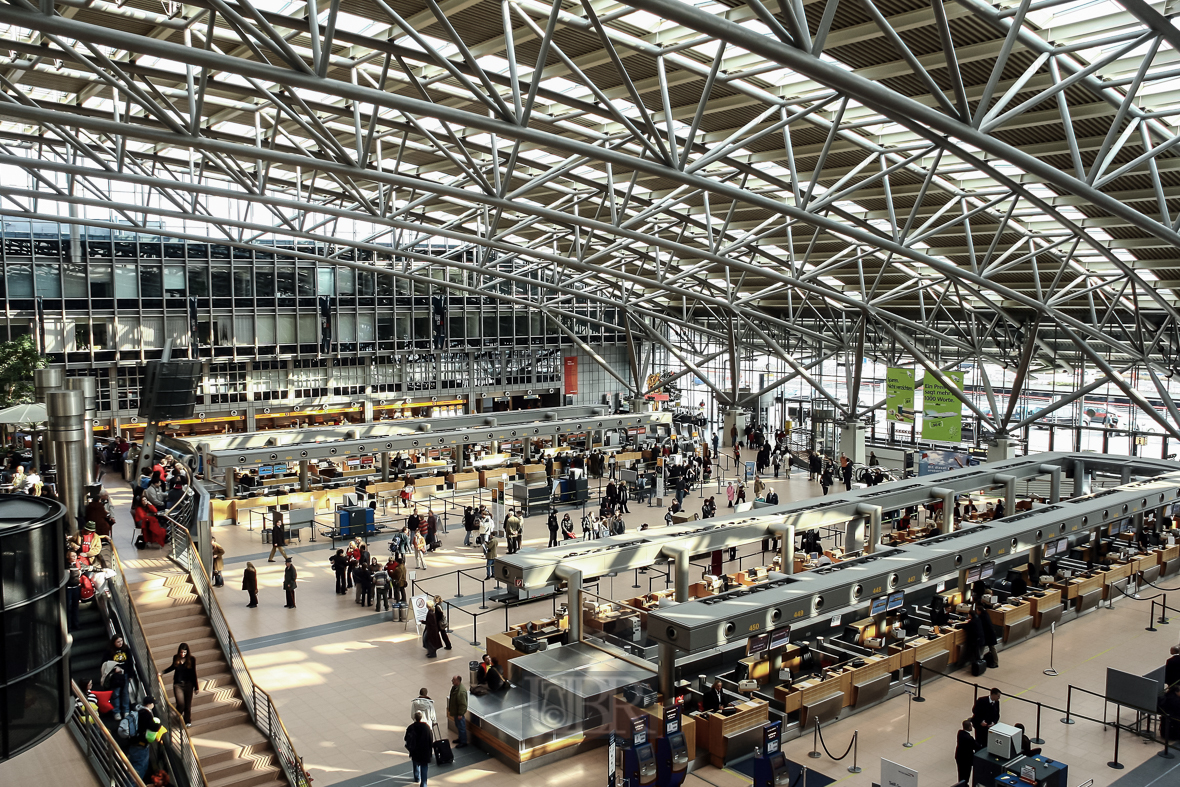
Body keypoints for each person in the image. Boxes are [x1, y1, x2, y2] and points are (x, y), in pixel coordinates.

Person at [162, 643, 198, 726]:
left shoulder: (192, 659)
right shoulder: (176, 658)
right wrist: (162, 672)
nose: (182, 654)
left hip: (188, 684)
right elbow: (172, 667)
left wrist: (196, 687)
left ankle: (187, 721)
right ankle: (176, 717)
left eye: (184, 652)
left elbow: (194, 673)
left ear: (187, 652)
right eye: (181, 652)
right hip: (178, 684)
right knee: (181, 704)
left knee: (188, 705)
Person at [404, 710, 433, 787]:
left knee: (415, 763)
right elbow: (430, 739)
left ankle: (417, 778)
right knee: (424, 766)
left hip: (415, 750)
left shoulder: (411, 727)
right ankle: (423, 783)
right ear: (421, 718)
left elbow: (406, 738)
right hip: (424, 751)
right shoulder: (426, 727)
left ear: (414, 718)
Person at [448, 674, 469, 748]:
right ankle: (460, 738)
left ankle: (463, 742)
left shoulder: (461, 691)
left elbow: (463, 704)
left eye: (453, 680)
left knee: (461, 727)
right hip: (456, 712)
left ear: (457, 681)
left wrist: (460, 714)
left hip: (459, 713)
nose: (452, 681)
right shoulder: (455, 688)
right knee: (458, 725)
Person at [954, 719, 976, 784]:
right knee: (966, 775)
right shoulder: (969, 738)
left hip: (959, 757)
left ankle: (961, 784)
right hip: (966, 760)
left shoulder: (960, 733)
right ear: (969, 727)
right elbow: (975, 745)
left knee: (960, 773)